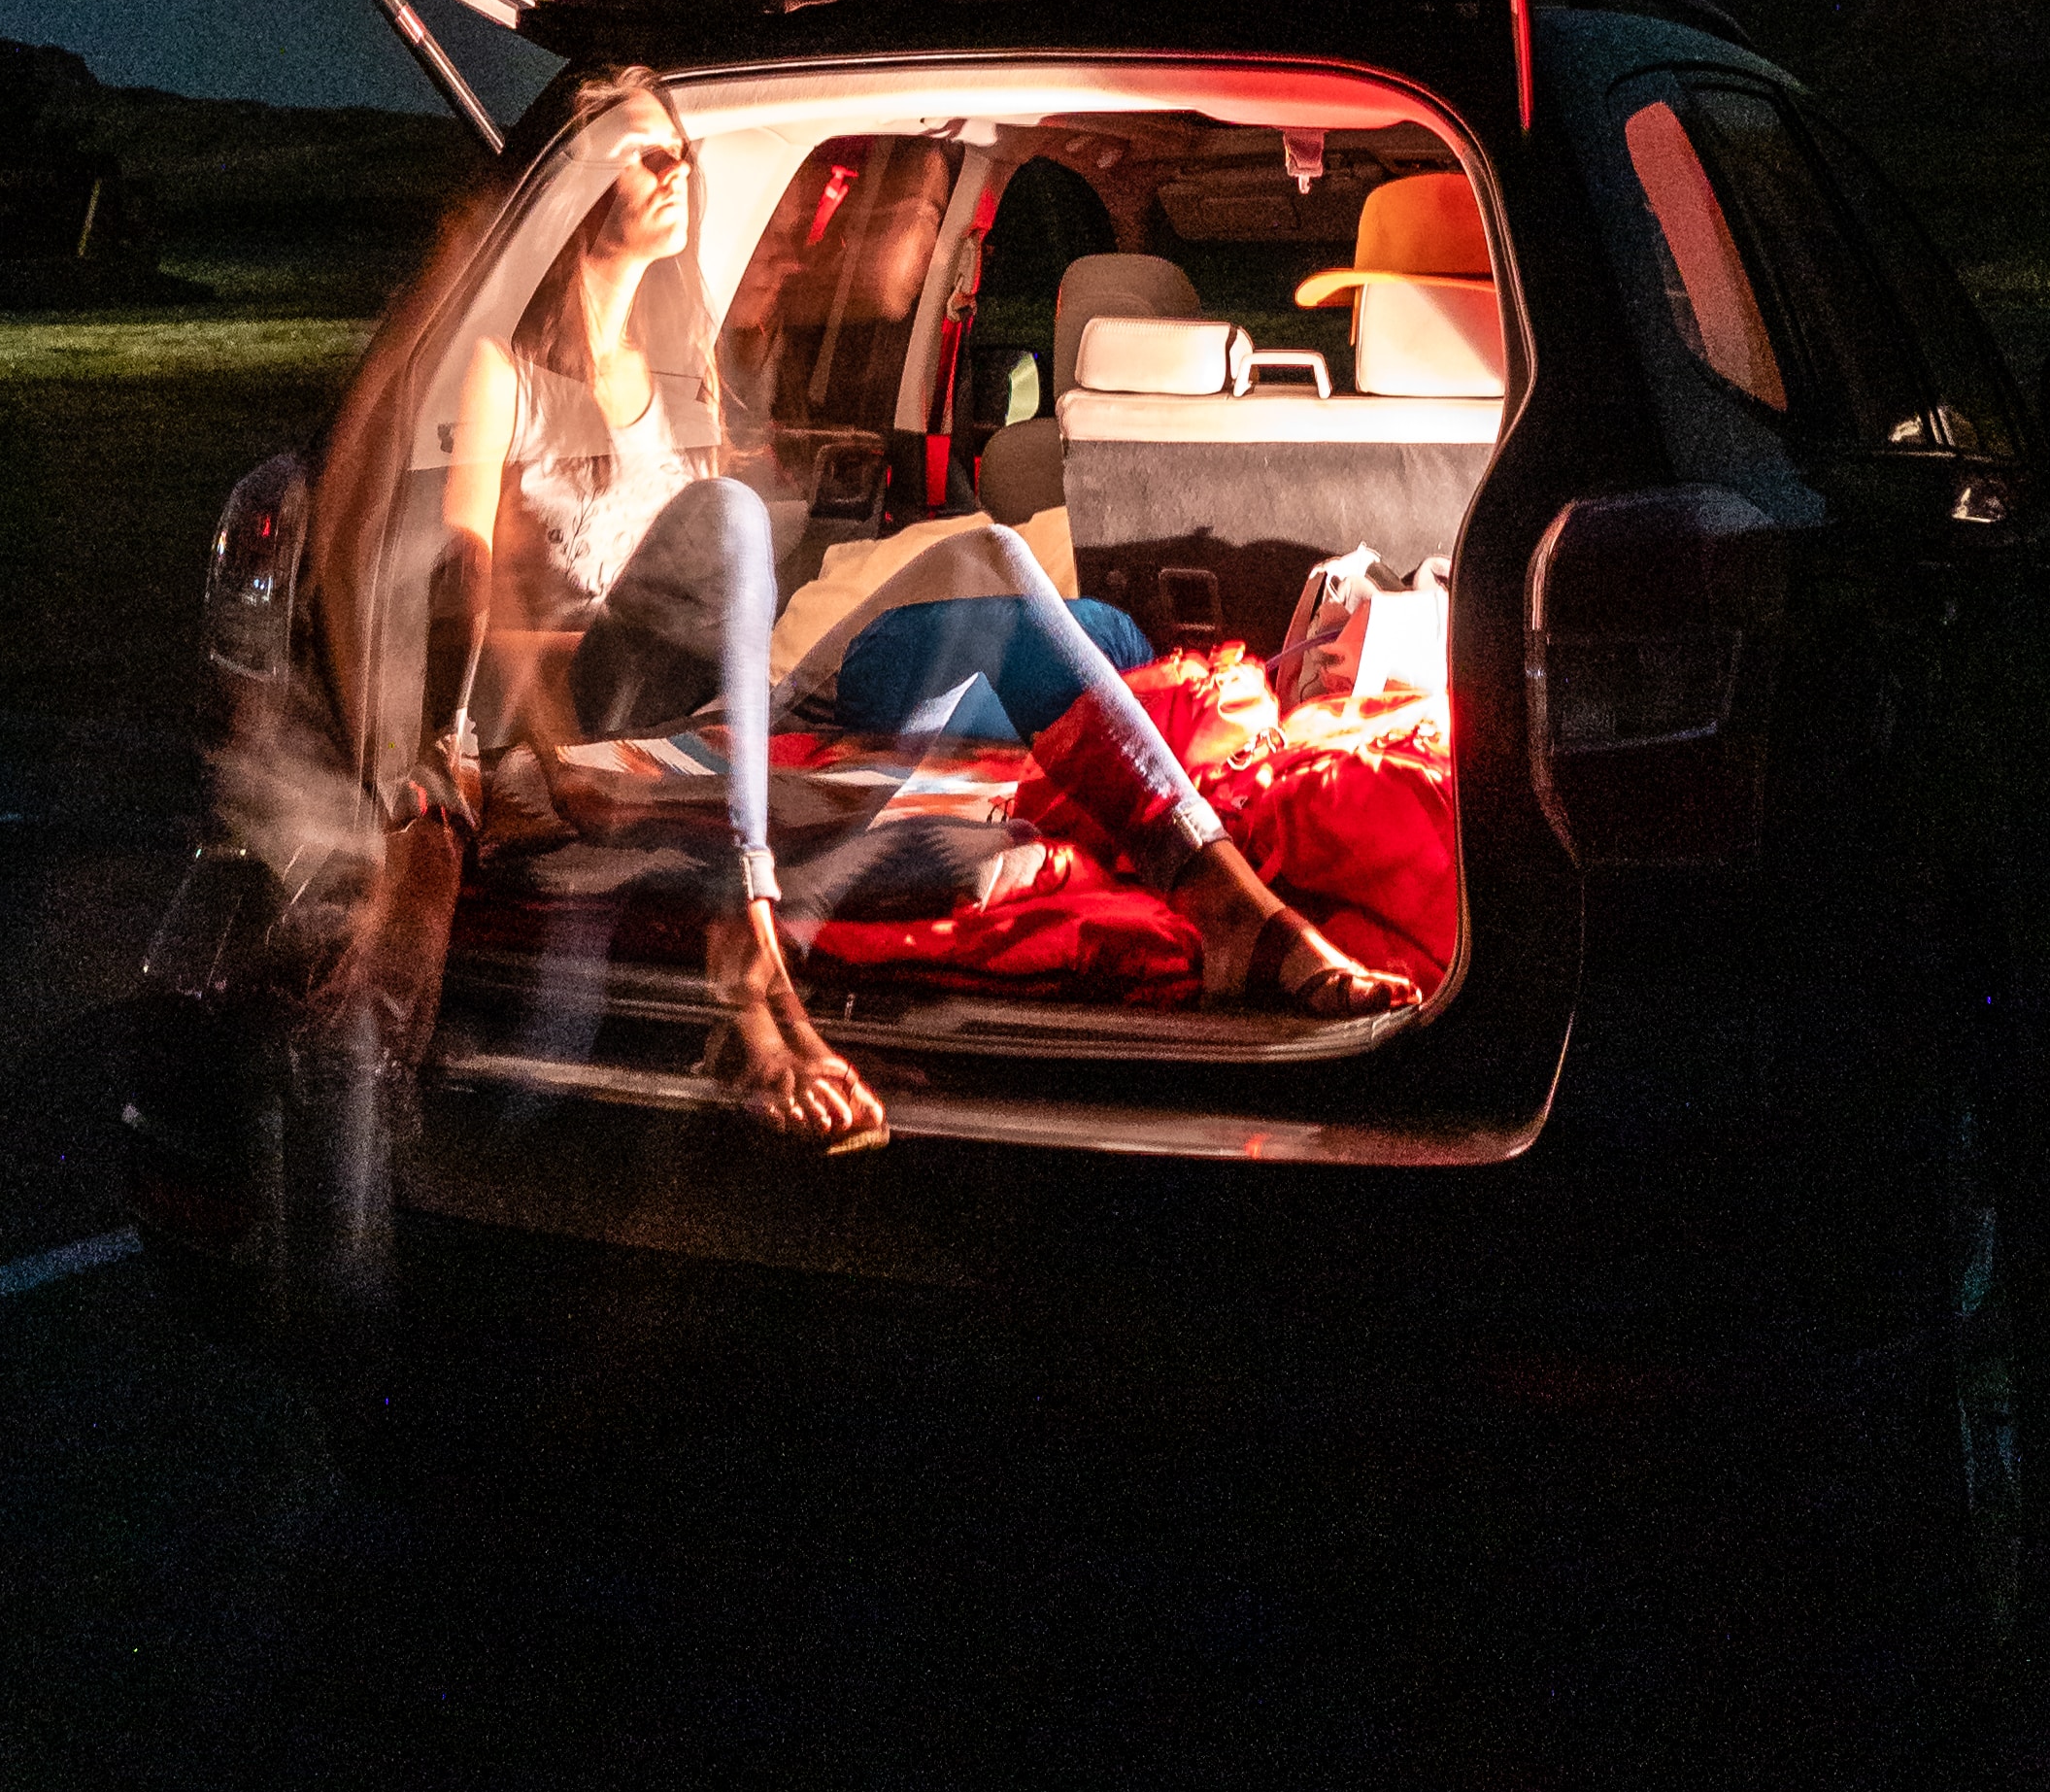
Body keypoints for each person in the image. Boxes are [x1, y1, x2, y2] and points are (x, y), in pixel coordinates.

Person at [310, 96, 1416, 1139]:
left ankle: (1225, 898)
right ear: (577, 189)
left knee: (991, 549)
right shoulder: (507, 372)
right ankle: (747, 941)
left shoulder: (675, 375)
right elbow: (475, 579)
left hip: (731, 697)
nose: (673, 170)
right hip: (594, 708)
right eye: (644, 151)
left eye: (678, 151)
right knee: (730, 516)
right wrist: (528, 746)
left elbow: (733, 604)